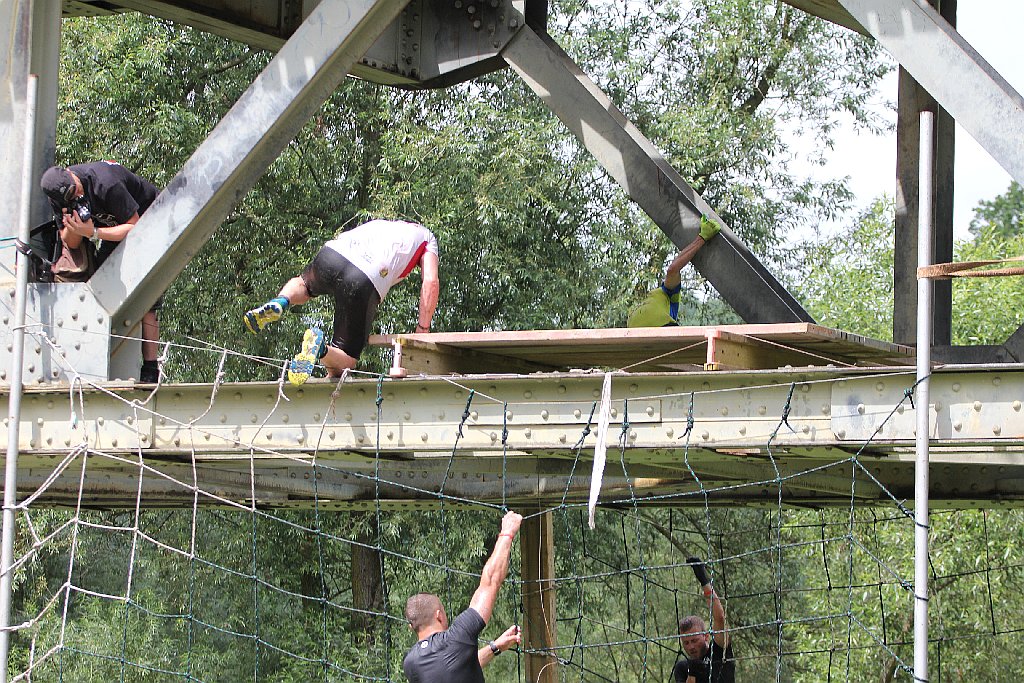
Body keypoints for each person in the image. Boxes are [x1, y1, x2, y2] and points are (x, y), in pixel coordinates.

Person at [244, 218, 440, 385]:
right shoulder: (427, 238)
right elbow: (430, 282)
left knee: (304, 283)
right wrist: (423, 330)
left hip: (332, 255)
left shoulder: (382, 224)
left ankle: (281, 301)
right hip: (365, 275)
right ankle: (319, 349)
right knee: (346, 360)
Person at [40, 162, 163, 383]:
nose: (78, 196)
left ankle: (151, 368)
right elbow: (71, 243)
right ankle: (97, 358)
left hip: (150, 220)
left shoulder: (105, 181)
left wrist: (94, 232)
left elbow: (135, 226)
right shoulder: (59, 199)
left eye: (76, 189)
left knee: (147, 298)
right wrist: (76, 227)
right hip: (112, 230)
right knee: (99, 285)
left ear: (71, 174)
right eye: (71, 196)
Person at [402, 511, 523, 683]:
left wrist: (495, 647)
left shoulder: (411, 663)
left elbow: (455, 668)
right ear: (439, 615)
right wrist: (507, 532)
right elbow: (490, 582)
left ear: (411, 626)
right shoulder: (456, 637)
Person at [627, 215, 721, 328]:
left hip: (651, 336)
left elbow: (673, 269)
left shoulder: (661, 297)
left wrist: (702, 238)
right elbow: (673, 269)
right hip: (645, 338)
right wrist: (702, 238)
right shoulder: (663, 296)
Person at [673, 557, 735, 683]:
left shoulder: (719, 650)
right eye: (686, 643)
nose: (691, 646)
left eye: (694, 640)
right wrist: (692, 673)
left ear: (706, 636)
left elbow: (720, 618)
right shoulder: (682, 667)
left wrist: (704, 581)